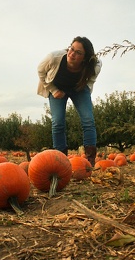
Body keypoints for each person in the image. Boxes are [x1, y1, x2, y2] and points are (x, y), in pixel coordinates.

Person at [37, 36, 102, 166]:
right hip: (57, 89)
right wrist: (53, 90)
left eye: (78, 52)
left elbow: (91, 80)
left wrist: (84, 90)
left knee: (88, 120)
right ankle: (61, 161)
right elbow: (40, 71)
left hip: (79, 88)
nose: (72, 54)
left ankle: (90, 161)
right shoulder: (54, 57)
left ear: (85, 57)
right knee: (58, 122)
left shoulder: (95, 65)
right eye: (71, 49)